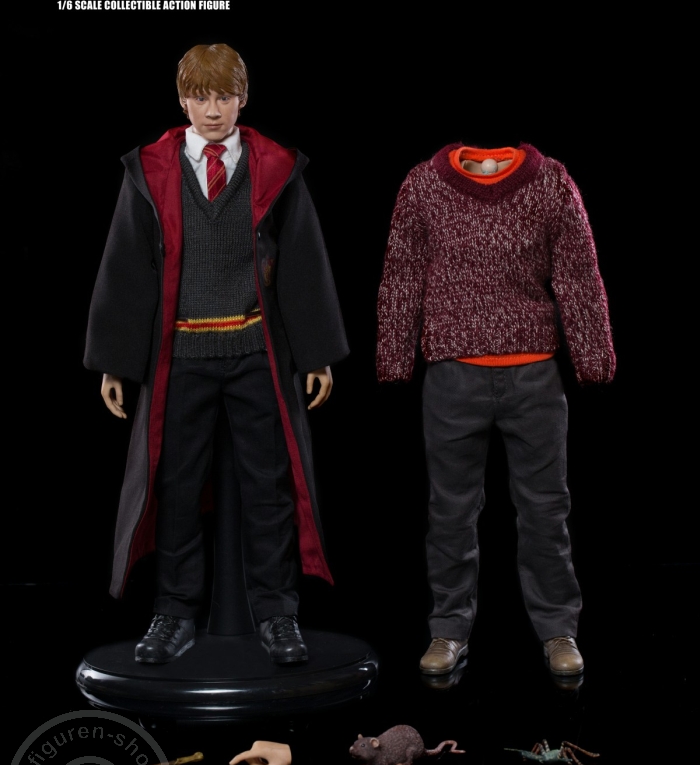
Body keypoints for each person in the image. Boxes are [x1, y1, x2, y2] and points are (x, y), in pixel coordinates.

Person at [85, 43, 348, 665]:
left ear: (242, 99)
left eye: (224, 96)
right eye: (200, 97)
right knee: (176, 488)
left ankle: (277, 613)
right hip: (182, 355)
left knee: (269, 487)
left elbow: (303, 259)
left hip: (255, 350)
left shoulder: (273, 167)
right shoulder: (152, 170)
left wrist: (315, 352)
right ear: (182, 101)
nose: (212, 110)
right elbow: (127, 264)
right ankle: (174, 613)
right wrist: (117, 361)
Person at [376, 142, 615, 677]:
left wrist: (593, 357)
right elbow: (403, 272)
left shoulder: (551, 182)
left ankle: (558, 630)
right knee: (450, 513)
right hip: (452, 376)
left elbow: (578, 272)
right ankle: (448, 629)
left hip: (534, 375)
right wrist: (394, 356)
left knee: (546, 510)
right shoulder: (424, 185)